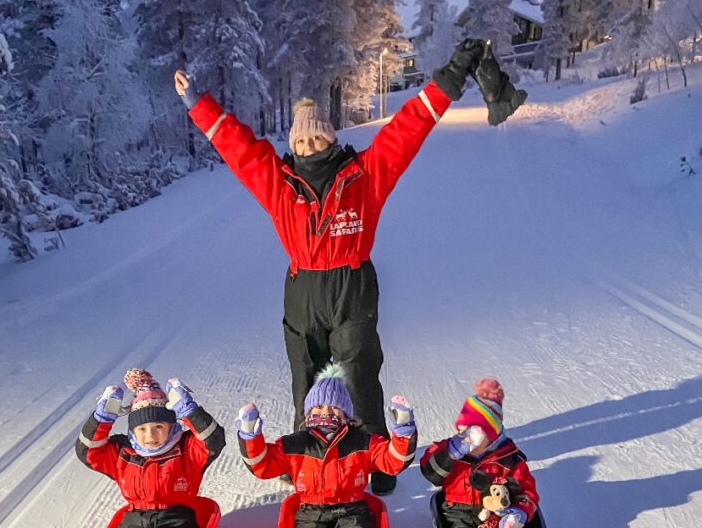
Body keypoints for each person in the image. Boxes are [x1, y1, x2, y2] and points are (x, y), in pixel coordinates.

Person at [173, 40, 525, 496]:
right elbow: (237, 147)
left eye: (316, 137)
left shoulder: (365, 174)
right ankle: (305, 460)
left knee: (358, 374)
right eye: (300, 140)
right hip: (302, 290)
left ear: (332, 137)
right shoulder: (280, 185)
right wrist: (198, 103)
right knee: (307, 377)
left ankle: (375, 460)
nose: (308, 144)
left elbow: (409, 126)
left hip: (352, 286)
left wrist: (451, 76)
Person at [236, 363, 417, 528]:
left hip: (352, 509)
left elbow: (393, 461)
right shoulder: (297, 443)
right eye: (319, 407)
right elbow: (263, 465)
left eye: (334, 408)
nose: (325, 413)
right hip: (310, 510)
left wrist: (403, 431)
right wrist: (250, 435)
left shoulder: (362, 441)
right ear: (309, 411)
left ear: (347, 413)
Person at [65, 367, 225, 528]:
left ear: (171, 426)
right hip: (134, 519)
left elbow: (213, 441)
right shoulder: (122, 452)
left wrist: (189, 410)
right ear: (132, 430)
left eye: (159, 427)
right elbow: (87, 451)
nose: (151, 435)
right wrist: (101, 418)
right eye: (142, 428)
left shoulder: (185, 449)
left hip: (176, 520)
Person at [420, 378, 563, 528]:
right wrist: (452, 452)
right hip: (460, 513)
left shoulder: (509, 460)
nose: (467, 437)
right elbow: (430, 472)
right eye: (462, 430)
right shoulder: (454, 450)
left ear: (491, 434)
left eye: (473, 433)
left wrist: (519, 513)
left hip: (501, 515)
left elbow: (527, 491)